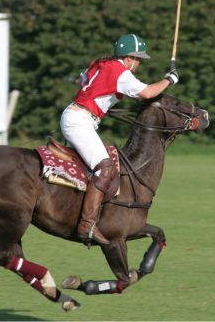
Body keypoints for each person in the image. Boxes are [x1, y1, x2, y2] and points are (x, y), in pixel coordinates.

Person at [60, 33, 179, 245]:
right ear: (129, 58)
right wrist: (169, 79)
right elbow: (148, 93)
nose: (139, 63)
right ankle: (87, 225)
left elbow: (81, 82)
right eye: (138, 59)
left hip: (76, 115)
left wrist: (101, 102)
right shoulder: (121, 73)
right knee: (105, 168)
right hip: (80, 121)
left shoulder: (101, 63)